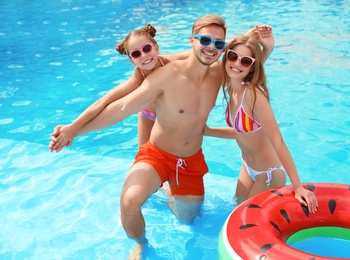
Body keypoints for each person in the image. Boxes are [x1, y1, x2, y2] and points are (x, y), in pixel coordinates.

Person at [51, 15, 273, 259]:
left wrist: (261, 42)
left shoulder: (220, 74)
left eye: (218, 44)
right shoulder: (165, 74)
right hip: (156, 154)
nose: (211, 47)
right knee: (129, 201)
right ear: (192, 40)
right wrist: (74, 131)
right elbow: (120, 106)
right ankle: (141, 244)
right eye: (204, 40)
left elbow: (247, 66)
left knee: (188, 219)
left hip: (189, 161)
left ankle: (169, 193)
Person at [203, 34, 318, 212]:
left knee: (244, 217)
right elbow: (241, 132)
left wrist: (298, 186)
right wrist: (208, 131)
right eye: (233, 56)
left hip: (268, 173)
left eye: (246, 61)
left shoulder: (253, 95)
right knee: (235, 210)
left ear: (252, 66)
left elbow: (278, 141)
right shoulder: (233, 88)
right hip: (248, 167)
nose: (237, 64)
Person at [49, 24, 190, 152]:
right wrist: (72, 128)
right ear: (131, 60)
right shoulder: (138, 78)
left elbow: (201, 54)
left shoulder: (174, 62)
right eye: (136, 54)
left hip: (173, 116)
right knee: (145, 157)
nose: (144, 55)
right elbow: (103, 102)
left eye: (147, 48)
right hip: (149, 115)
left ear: (156, 48)